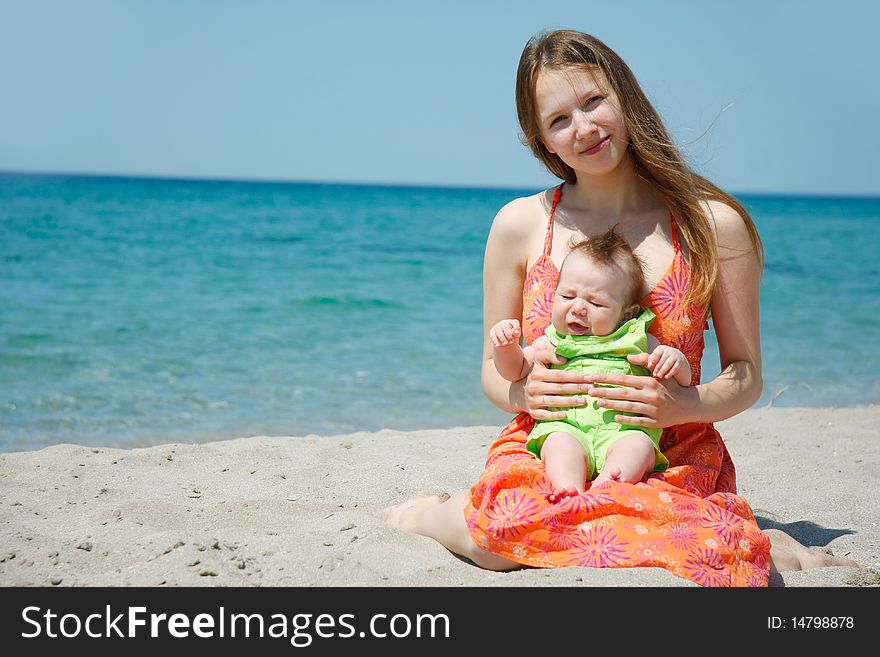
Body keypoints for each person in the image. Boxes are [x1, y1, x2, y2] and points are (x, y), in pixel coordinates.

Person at [382, 29, 857, 586]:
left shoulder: (712, 226)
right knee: (503, 542)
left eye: (593, 101)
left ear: (624, 96)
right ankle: (437, 512)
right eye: (559, 120)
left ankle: (752, 535)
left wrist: (681, 406)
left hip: (665, 447)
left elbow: (746, 375)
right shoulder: (520, 225)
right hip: (550, 444)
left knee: (703, 558)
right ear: (543, 142)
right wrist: (522, 392)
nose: (582, 128)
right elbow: (492, 371)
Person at [490, 229, 690, 501]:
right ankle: (568, 488)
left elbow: (683, 381)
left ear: (626, 314)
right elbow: (514, 371)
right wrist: (506, 346)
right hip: (567, 424)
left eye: (595, 302)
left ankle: (612, 481)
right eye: (567, 296)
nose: (578, 308)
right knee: (558, 444)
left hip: (624, 428)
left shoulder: (639, 338)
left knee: (638, 447)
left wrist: (674, 360)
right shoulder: (552, 340)